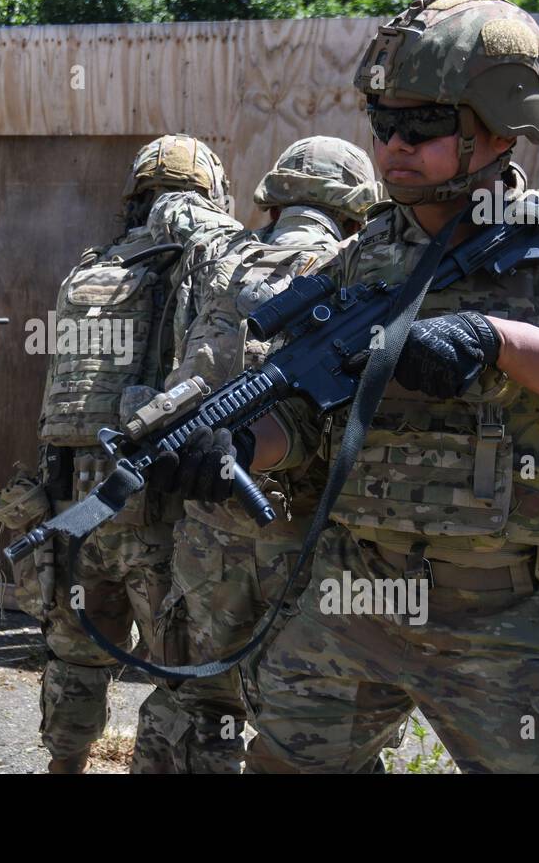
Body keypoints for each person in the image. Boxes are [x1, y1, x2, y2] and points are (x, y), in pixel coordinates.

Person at [153, 0, 539, 773]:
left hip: (516, 622)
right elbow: (310, 425)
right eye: (382, 122)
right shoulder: (357, 260)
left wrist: (498, 341)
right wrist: (240, 444)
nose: (393, 146)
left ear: (498, 128)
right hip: (352, 602)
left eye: (422, 125)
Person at [136, 136, 381, 773]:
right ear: (356, 214)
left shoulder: (223, 268)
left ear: (271, 204)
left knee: (194, 702)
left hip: (207, 538)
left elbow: (179, 388)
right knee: (313, 730)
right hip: (307, 547)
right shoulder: (362, 273)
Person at [0, 134, 241, 772]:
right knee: (185, 679)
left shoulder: (92, 265)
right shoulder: (200, 257)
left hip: (70, 499)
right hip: (151, 510)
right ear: (209, 193)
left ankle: (64, 763)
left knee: (75, 655)